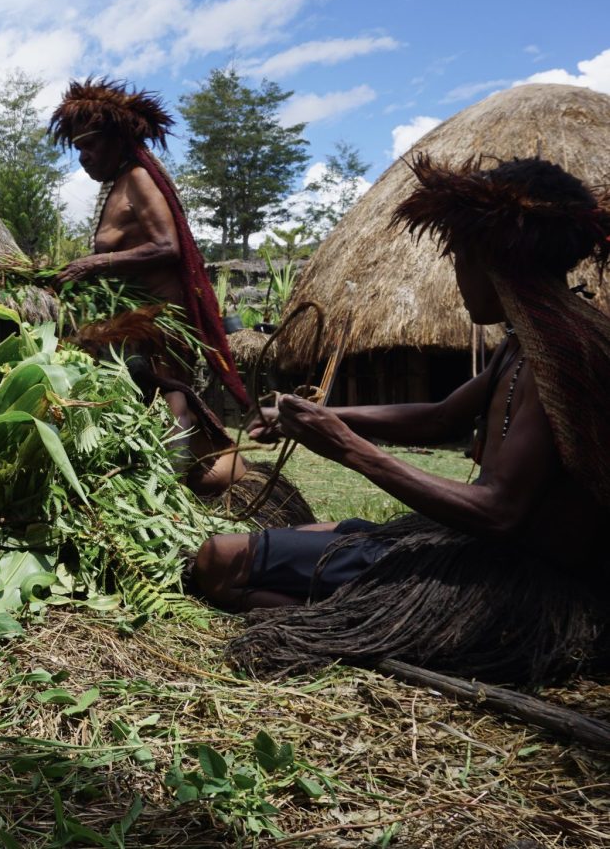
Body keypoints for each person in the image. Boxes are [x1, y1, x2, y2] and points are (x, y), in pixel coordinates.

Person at [197, 155, 610, 685]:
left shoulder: (563, 356)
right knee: (298, 533)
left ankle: (351, 628)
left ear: (493, 257)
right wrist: (317, 415)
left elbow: (500, 513)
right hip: (478, 547)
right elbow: (438, 417)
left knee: (217, 560)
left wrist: (346, 446)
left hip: (513, 576)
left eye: (460, 256)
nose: (458, 277)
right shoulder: (530, 342)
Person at [49, 78, 257, 499]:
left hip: (160, 321)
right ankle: (162, 477)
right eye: (77, 150)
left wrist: (94, 263)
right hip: (134, 319)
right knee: (145, 400)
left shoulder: (140, 177)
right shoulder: (120, 184)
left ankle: (171, 490)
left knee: (170, 395)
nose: (83, 158)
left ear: (115, 139)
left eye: (88, 146)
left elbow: (168, 246)